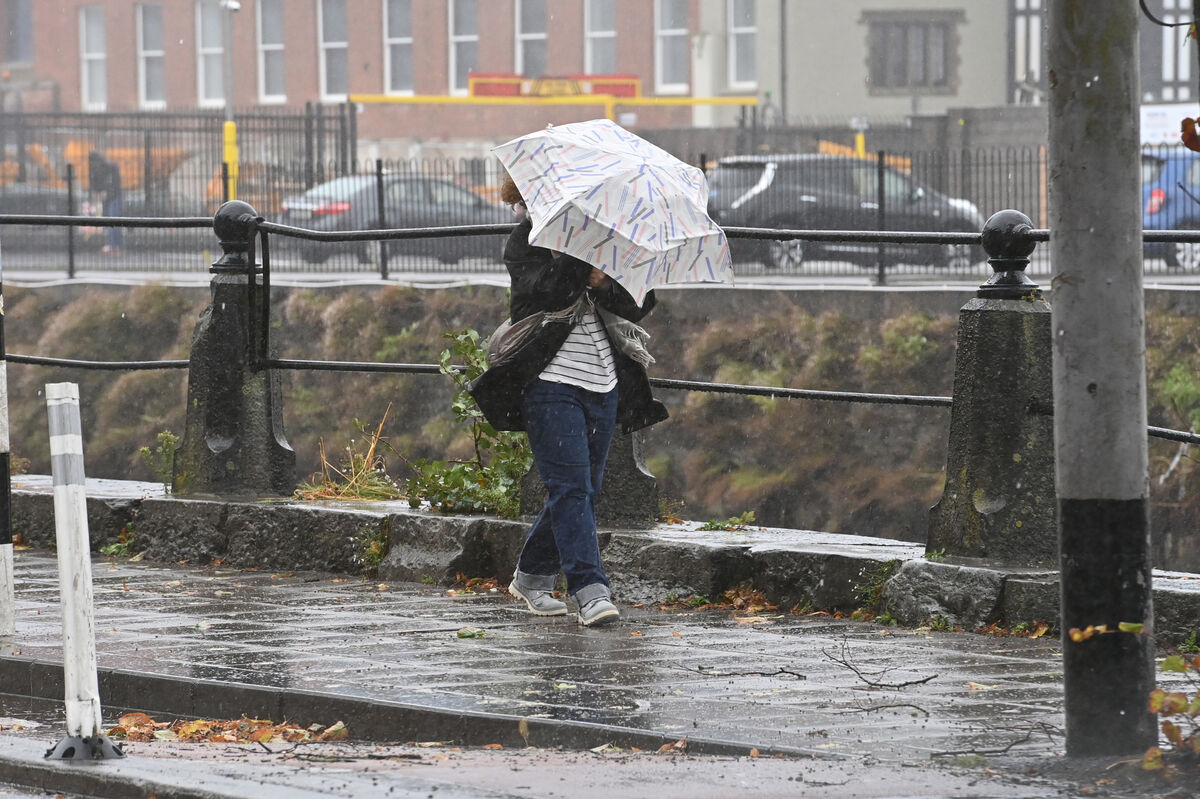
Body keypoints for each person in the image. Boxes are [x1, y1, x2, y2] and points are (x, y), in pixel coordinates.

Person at [469, 173, 668, 627]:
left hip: (604, 383)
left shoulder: (609, 238)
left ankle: (533, 575)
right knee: (571, 488)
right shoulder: (526, 242)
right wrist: (583, 263)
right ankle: (590, 590)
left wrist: (605, 281)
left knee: (583, 489)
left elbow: (642, 302)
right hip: (549, 383)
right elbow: (541, 299)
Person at [88, 149, 124, 254]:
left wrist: (106, 192)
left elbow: (115, 183)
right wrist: (96, 194)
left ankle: (114, 245)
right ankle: (115, 245)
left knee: (112, 221)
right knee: (112, 221)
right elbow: (94, 185)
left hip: (114, 197)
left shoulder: (109, 167)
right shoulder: (96, 169)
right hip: (108, 198)